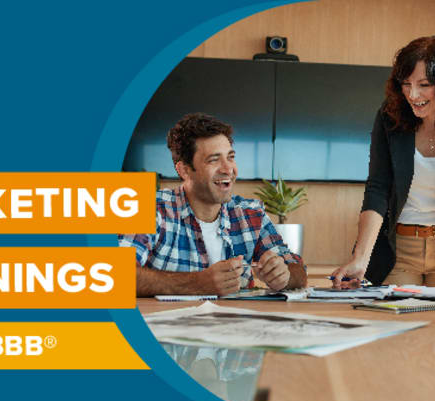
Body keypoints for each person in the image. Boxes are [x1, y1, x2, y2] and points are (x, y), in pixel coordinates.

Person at [331, 36, 435, 289]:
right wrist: (360, 259)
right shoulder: (390, 118)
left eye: (424, 84)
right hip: (399, 251)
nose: (412, 94)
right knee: (390, 319)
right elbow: (377, 189)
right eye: (406, 84)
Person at [119, 113, 307, 297]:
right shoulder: (150, 207)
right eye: (214, 160)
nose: (228, 169)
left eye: (230, 157)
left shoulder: (251, 214)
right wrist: (197, 284)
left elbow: (298, 270)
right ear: (184, 170)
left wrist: (286, 276)